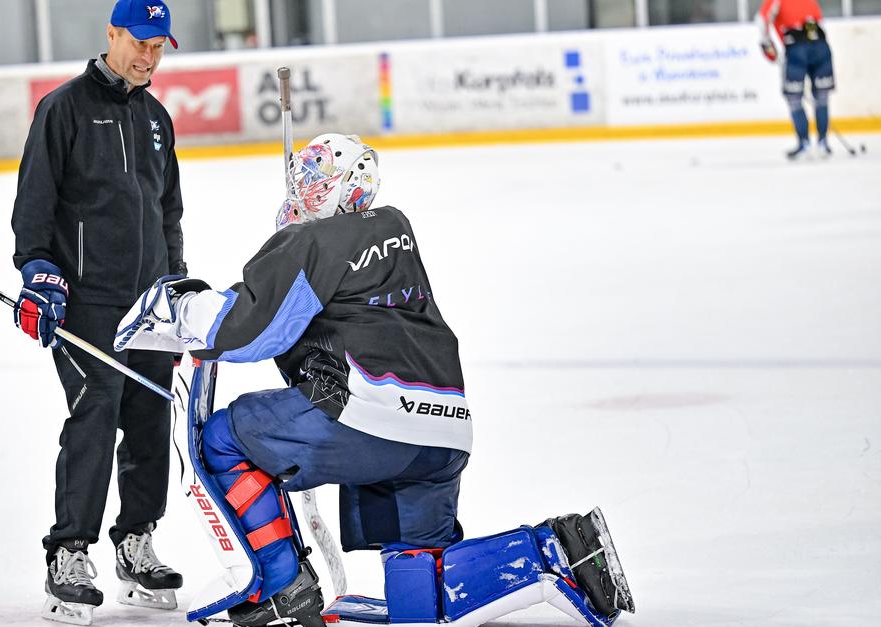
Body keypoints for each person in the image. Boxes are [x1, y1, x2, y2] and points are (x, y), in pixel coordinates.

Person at [116, 134, 636, 627]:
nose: (303, 187)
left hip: (364, 420)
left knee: (224, 439)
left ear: (339, 184)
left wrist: (177, 306)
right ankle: (553, 551)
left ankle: (277, 583)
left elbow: (247, 329)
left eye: (314, 177)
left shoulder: (315, 240)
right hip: (443, 434)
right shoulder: (395, 228)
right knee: (421, 590)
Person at [10, 0, 186, 623]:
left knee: (148, 416)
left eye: (159, 45)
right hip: (87, 303)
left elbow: (168, 212)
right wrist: (37, 271)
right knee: (97, 410)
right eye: (139, 42)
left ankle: (136, 539)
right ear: (112, 33)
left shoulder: (157, 117)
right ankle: (70, 551)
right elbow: (33, 206)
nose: (148, 55)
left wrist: (174, 287)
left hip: (148, 303)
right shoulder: (64, 109)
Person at [758, 0, 836, 159]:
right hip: (821, 45)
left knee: (794, 98)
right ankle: (823, 143)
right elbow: (817, 20)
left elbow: (762, 21)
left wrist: (766, 43)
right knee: (822, 97)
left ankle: (804, 145)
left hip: (796, 48)